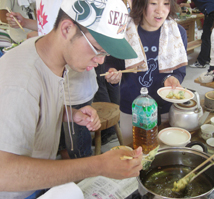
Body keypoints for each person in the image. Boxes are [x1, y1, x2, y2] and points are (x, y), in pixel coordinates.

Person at [0, 0, 143, 198]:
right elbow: (4, 173)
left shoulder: (51, 57)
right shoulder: (20, 80)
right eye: (97, 49)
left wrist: (71, 115)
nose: (101, 60)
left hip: (38, 182)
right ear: (67, 28)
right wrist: (97, 165)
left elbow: (34, 110)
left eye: (106, 53)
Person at [105, 0, 188, 146]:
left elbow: (180, 71)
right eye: (153, 3)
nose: (160, 10)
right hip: (132, 107)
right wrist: (113, 74)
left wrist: (174, 78)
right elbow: (113, 63)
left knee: (163, 152)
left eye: (166, 3)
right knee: (134, 154)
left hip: (165, 106)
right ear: (141, 4)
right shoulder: (124, 32)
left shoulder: (177, 33)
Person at [179, 0, 214, 68]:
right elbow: (197, 3)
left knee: (206, 37)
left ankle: (201, 62)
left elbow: (179, 1)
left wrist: (178, 3)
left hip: (211, 12)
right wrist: (185, 4)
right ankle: (207, 59)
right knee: (208, 37)